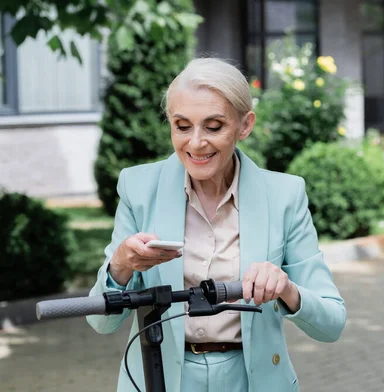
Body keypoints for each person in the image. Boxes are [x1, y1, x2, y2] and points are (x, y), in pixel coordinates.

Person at [86, 58, 346, 392]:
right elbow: (101, 322)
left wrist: (285, 289)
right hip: (162, 378)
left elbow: (331, 324)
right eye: (182, 126)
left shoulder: (284, 195)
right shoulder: (138, 189)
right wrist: (120, 265)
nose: (195, 143)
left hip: (254, 380)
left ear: (245, 125)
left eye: (213, 127)